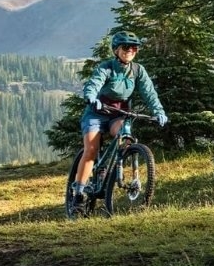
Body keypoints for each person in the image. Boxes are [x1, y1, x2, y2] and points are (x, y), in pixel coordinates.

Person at [69, 31, 168, 210]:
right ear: (116, 50)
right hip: (96, 113)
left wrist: (158, 111)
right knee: (91, 149)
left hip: (119, 114)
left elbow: (149, 93)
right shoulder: (106, 67)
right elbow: (94, 84)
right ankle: (79, 193)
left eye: (134, 48)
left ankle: (117, 172)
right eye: (125, 47)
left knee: (125, 138)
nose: (130, 50)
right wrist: (92, 97)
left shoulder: (138, 70)